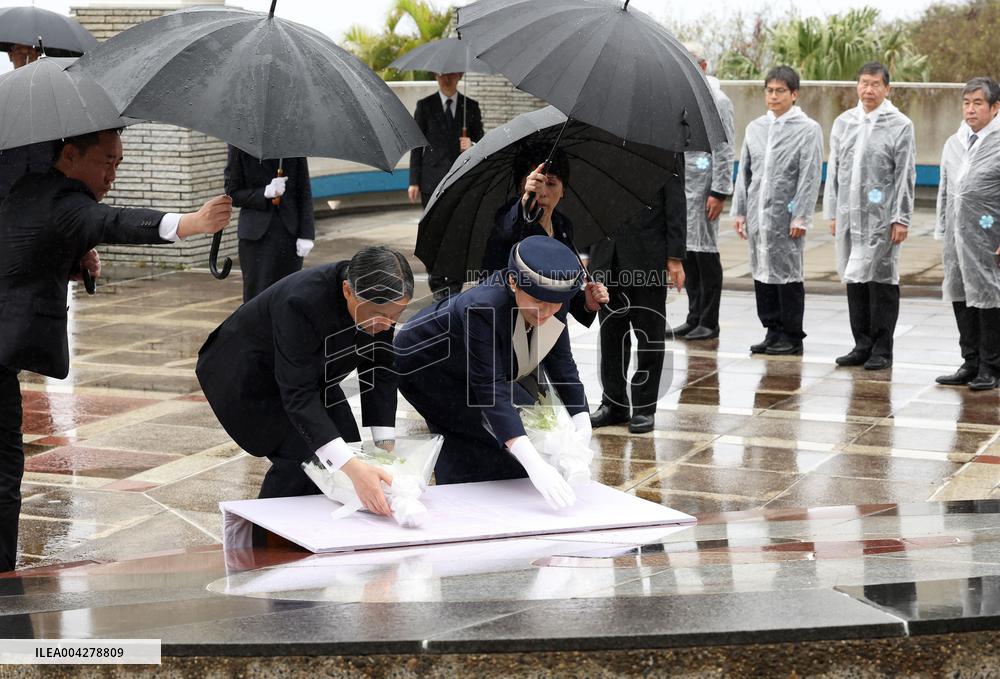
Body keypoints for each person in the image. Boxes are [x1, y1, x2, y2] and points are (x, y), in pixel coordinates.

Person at [0, 128, 232, 572]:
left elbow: (26, 249)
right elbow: (114, 221)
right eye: (107, 161)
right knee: (5, 476)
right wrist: (191, 223)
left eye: (120, 163)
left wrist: (72, 260)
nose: (112, 174)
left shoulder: (29, 189)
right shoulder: (66, 203)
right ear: (69, 155)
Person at [197, 246, 413, 511]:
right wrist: (353, 469)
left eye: (396, 316)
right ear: (347, 290)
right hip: (249, 375)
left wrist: (384, 448)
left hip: (311, 373)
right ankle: (264, 542)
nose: (387, 324)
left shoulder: (379, 306)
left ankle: (328, 537)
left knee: (349, 450)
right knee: (303, 459)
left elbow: (379, 367)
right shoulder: (301, 302)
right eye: (378, 315)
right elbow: (298, 393)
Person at [394, 236, 590, 510]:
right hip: (426, 366)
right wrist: (534, 465)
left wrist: (583, 425)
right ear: (513, 282)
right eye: (537, 301)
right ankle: (460, 506)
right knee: (472, 439)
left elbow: (562, 363)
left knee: (519, 434)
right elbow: (489, 387)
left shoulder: (555, 295)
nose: (546, 312)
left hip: (477, 363)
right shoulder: (482, 306)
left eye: (555, 305)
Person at [824, 62, 916, 371]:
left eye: (876, 84)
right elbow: (834, 171)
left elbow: (906, 174)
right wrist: (833, 211)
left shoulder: (900, 125)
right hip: (850, 216)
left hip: (882, 217)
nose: (869, 90)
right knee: (855, 280)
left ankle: (882, 348)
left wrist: (901, 217)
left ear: (887, 89)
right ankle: (861, 343)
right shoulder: (844, 123)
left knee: (881, 282)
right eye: (864, 83)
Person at [588, 155, 687, 435]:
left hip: (647, 256)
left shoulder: (663, 147)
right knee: (611, 335)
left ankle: (644, 407)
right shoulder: (602, 145)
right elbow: (592, 202)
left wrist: (675, 257)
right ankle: (614, 404)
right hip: (608, 257)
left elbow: (676, 204)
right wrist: (586, 252)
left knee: (649, 335)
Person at [731, 65, 824, 356]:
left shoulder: (808, 130)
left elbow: (809, 176)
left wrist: (801, 216)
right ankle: (772, 330)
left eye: (780, 91)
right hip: (759, 213)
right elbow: (744, 173)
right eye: (769, 90)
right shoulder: (756, 128)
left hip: (786, 216)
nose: (773, 96)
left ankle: (792, 335)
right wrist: (740, 211)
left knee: (788, 275)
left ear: (794, 94)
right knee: (761, 272)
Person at [480, 145, 608, 327]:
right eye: (536, 183)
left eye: (551, 183)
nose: (543, 192)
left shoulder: (563, 226)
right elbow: (507, 228)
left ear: (563, 190)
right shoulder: (509, 217)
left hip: (550, 326)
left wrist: (587, 304)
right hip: (505, 323)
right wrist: (525, 203)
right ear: (521, 187)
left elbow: (558, 288)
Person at [934, 77, 1000, 391]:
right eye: (966, 103)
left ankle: (991, 366)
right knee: (961, 294)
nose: (970, 110)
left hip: (988, 233)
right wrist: (942, 230)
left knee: (988, 299)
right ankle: (970, 361)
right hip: (957, 237)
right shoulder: (954, 142)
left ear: (995, 107)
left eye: (978, 103)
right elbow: (945, 191)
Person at [676, 43, 736, 341]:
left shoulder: (719, 101)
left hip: (706, 191)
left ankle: (709, 321)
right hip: (685, 188)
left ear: (703, 66)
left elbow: (725, 149)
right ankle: (694, 316)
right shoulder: (683, 99)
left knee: (706, 257)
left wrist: (720, 190)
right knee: (689, 257)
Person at [408, 71, 485, 301]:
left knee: (457, 232)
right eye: (441, 75)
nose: (446, 79)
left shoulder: (470, 106)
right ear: (435, 76)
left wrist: (471, 143)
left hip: (460, 181)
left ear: (460, 75)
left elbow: (482, 141)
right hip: (431, 181)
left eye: (451, 74)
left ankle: (454, 281)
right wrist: (414, 180)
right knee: (434, 231)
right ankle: (437, 280)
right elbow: (416, 146)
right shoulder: (425, 106)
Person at [224, 147, 315, 302]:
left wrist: (307, 233)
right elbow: (233, 192)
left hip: (289, 234)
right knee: (258, 297)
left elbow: (304, 189)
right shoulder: (240, 146)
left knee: (288, 295)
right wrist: (265, 192)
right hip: (257, 237)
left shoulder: (293, 142)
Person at [0, 43, 55, 202]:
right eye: (19, 50)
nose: (25, 55)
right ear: (10, 55)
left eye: (30, 51)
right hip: (6, 176)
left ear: (38, 55)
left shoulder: (50, 88)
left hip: (42, 171)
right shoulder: (3, 88)